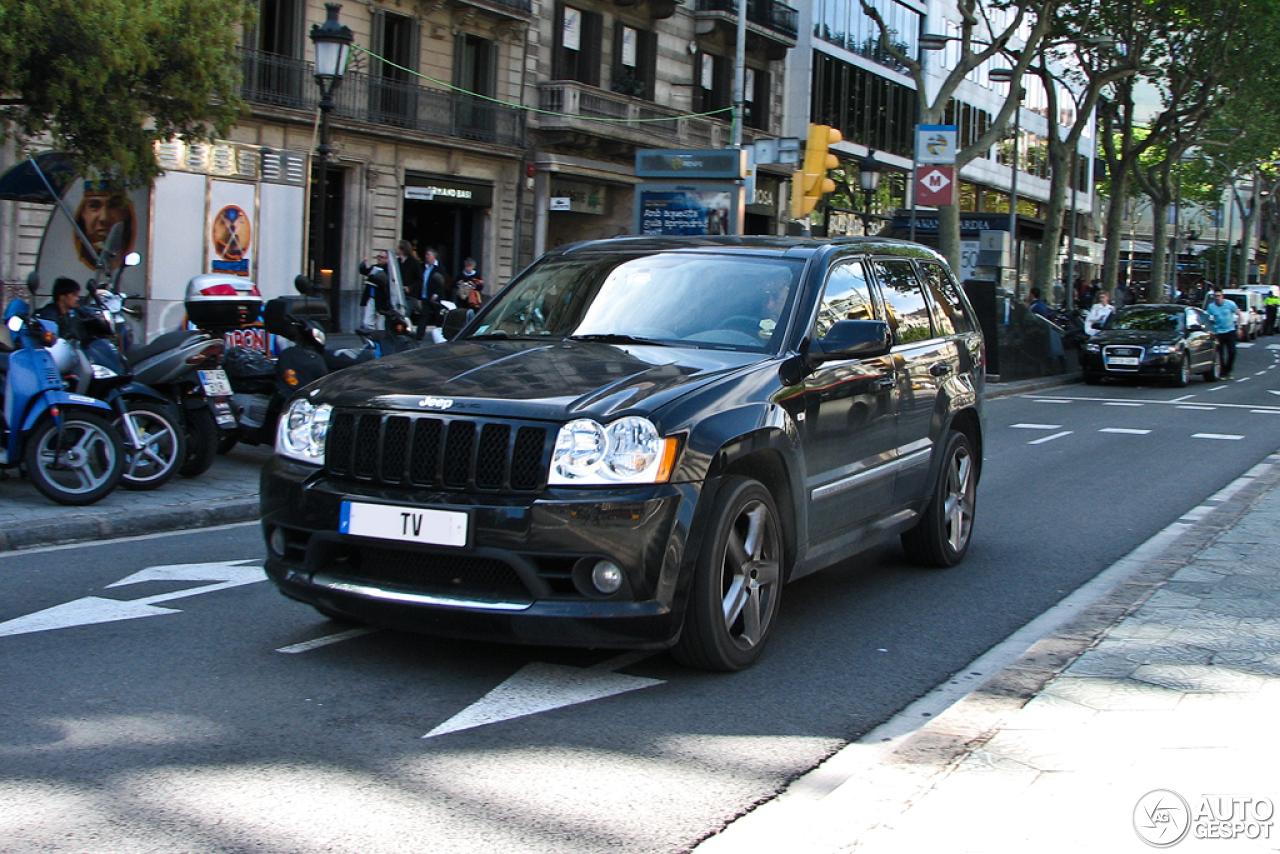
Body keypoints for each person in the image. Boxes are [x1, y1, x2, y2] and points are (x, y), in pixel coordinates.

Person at [1206, 287, 1241, 379]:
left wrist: (1239, 327)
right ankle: (1223, 371)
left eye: (1218, 296)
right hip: (1218, 332)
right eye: (1215, 296)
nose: (1217, 298)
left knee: (1232, 352)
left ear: (1222, 296)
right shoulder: (1211, 307)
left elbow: (1239, 314)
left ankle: (1229, 370)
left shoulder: (1230, 304)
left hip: (1230, 330)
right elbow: (1208, 319)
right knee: (1220, 353)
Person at [415, 248, 449, 339]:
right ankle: (419, 335)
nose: (426, 257)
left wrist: (436, 294)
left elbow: (441, 282)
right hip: (425, 295)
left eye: (428, 255)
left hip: (435, 297)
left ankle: (441, 334)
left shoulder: (440, 268)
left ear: (434, 256)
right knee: (424, 315)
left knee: (438, 316)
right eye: (426, 255)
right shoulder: (425, 267)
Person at [358, 251, 391, 330]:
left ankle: (380, 338)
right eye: (379, 256)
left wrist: (372, 277)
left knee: (380, 323)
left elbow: (384, 282)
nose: (379, 259)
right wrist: (363, 264)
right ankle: (373, 336)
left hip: (381, 299)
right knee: (367, 321)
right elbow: (365, 271)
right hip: (371, 297)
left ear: (387, 259)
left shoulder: (389, 270)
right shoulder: (374, 267)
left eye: (382, 257)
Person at [395, 240, 424, 318]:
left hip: (409, 296)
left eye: (398, 248)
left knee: (404, 316)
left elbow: (419, 280)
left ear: (402, 249)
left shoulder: (414, 262)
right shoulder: (397, 262)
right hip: (397, 294)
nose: (396, 249)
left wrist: (410, 288)